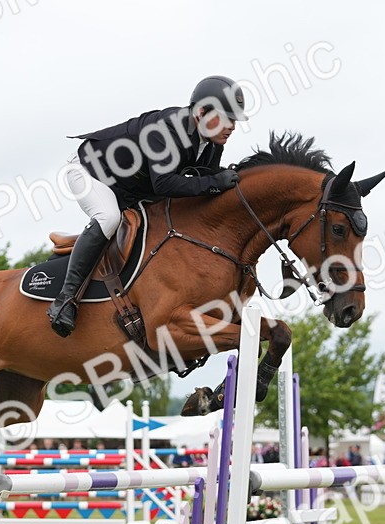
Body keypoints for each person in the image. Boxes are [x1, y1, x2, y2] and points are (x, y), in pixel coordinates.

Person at [48, 75, 248, 337]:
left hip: (131, 187)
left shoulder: (211, 143)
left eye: (234, 120)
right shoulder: (166, 129)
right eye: (226, 118)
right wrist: (214, 182)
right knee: (109, 218)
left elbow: (201, 183)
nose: (232, 126)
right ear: (201, 112)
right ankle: (65, 300)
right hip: (90, 172)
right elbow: (165, 184)